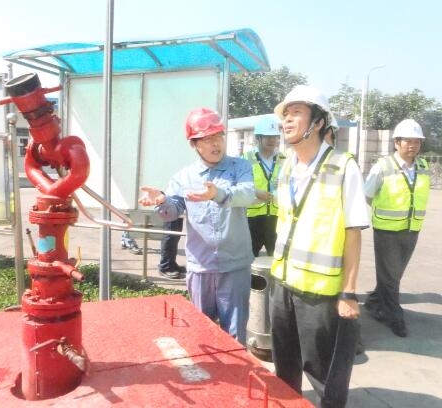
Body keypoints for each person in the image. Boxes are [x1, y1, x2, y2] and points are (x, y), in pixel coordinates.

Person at [269, 85, 370, 408]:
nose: (287, 120)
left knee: (324, 376)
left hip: (320, 292)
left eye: (296, 112)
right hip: (282, 284)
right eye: (285, 114)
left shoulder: (343, 166)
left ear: (318, 122)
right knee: (284, 369)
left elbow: (353, 232)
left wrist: (349, 293)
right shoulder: (287, 165)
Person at [139, 107, 255, 345]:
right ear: (194, 144)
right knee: (203, 334)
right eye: (208, 139)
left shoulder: (240, 167)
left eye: (219, 136)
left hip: (235, 266)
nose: (216, 144)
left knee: (235, 336)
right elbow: (172, 211)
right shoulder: (183, 177)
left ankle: (237, 369)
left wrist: (218, 194)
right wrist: (161, 201)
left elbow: (247, 194)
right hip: (201, 266)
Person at [363, 119, 430, 338]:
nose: (412, 145)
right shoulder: (383, 167)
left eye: (416, 141)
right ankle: (394, 317)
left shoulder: (423, 166)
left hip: (411, 229)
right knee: (391, 278)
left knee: (393, 275)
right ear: (396, 143)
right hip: (387, 231)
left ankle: (373, 301)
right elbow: (367, 194)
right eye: (408, 141)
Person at [244, 115, 285, 257]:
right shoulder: (246, 159)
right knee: (248, 259)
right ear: (258, 138)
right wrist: (255, 192)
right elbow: (238, 185)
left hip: (277, 217)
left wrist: (284, 184)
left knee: (277, 259)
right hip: (252, 219)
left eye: (274, 137)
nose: (272, 140)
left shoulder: (285, 159)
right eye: (267, 137)